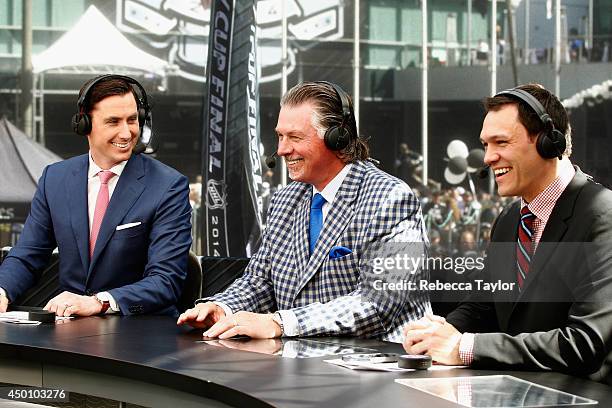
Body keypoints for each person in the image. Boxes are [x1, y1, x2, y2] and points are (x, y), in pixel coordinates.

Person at [178, 81, 429, 342]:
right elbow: (260, 282)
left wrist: (280, 322)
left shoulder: (393, 198)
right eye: (280, 136)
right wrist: (222, 308)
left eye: (295, 137)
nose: (282, 149)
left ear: (336, 137)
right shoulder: (285, 199)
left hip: (379, 368)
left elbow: (378, 305)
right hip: (300, 364)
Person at [403, 83, 612, 379]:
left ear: (547, 142)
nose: (487, 157)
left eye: (500, 142)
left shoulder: (602, 214)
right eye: (486, 144)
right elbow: (483, 306)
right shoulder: (509, 219)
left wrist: (463, 346)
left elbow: (583, 343)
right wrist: (437, 333)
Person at [0, 75, 192, 317]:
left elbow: (166, 280)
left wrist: (99, 302)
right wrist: (2, 290)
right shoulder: (55, 178)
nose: (126, 133)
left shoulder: (168, 186)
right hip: (70, 332)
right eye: (113, 122)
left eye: (132, 120)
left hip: (142, 335)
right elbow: (28, 255)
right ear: (84, 124)